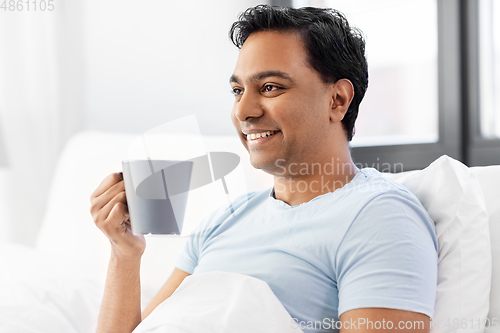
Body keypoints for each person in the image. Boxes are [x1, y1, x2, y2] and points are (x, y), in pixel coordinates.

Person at [90, 5, 438, 333]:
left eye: (270, 87)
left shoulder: (381, 217)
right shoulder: (225, 220)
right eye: (237, 90)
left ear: (338, 101)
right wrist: (125, 253)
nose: (243, 111)